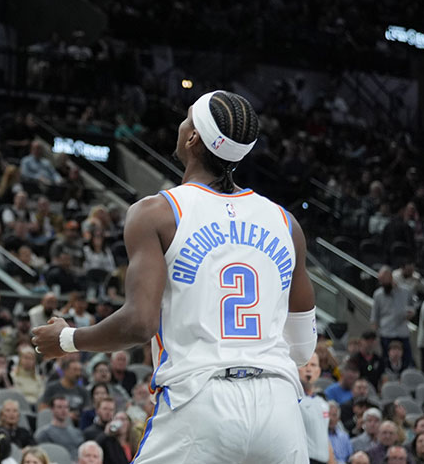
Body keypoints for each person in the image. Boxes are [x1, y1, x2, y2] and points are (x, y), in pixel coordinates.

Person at [33, 91, 316, 463]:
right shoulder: (286, 223)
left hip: (202, 400)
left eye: (186, 119)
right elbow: (301, 349)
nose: (181, 125)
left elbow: (138, 324)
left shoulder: (157, 212)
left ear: (193, 137)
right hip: (281, 409)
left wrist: (67, 339)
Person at [298, 353, 332, 464]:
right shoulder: (292, 400)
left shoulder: (323, 403)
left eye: (313, 365)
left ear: (318, 372)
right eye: (305, 365)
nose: (309, 369)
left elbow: (325, 438)